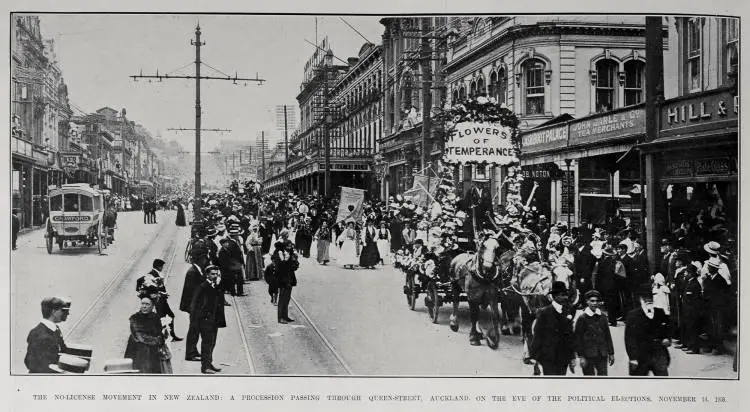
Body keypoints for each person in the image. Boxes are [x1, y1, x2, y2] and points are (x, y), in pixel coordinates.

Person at [528, 281, 576, 376]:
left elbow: (570, 336)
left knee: (561, 383)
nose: (566, 297)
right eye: (563, 295)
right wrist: (534, 356)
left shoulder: (567, 311)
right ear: (555, 296)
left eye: (566, 295)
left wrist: (572, 357)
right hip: (548, 356)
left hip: (563, 356)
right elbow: (538, 335)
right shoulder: (544, 313)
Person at [624, 291, 671, 376]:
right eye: (645, 298)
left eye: (650, 298)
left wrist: (667, 338)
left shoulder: (660, 312)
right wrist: (633, 358)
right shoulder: (633, 315)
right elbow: (629, 338)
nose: (648, 301)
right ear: (641, 299)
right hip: (640, 355)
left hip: (658, 354)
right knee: (638, 384)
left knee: (663, 382)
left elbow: (667, 329)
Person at [190, 265, 226, 374]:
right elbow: (195, 305)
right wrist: (198, 320)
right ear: (207, 275)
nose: (215, 276)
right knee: (206, 344)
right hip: (205, 321)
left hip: (214, 320)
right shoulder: (203, 287)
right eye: (212, 274)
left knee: (212, 343)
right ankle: (205, 367)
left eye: (216, 274)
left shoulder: (215, 285)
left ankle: (209, 363)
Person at [136, 259, 182, 342]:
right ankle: (165, 336)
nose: (163, 268)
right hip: (159, 301)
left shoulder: (156, 273)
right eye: (162, 266)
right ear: (158, 266)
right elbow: (141, 282)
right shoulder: (152, 274)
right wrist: (155, 293)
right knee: (163, 317)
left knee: (169, 316)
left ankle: (170, 335)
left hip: (162, 300)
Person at [124, 296, 170, 374]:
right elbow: (139, 336)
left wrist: (163, 335)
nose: (144, 306)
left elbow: (159, 333)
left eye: (147, 304)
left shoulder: (155, 317)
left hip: (153, 352)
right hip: (138, 351)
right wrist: (157, 340)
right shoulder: (135, 318)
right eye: (142, 304)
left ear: (152, 306)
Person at [25, 297, 70, 373]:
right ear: (54, 311)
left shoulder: (55, 329)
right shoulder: (39, 333)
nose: (67, 313)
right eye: (63, 310)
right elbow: (31, 363)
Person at [574, 290, 614, 376]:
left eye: (596, 301)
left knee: (603, 377)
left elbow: (607, 335)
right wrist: (581, 356)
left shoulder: (603, 317)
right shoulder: (582, 318)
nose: (594, 303)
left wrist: (611, 353)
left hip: (602, 354)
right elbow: (578, 338)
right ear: (587, 301)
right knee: (589, 379)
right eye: (592, 301)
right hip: (588, 355)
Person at [180, 251, 207, 362]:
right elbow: (192, 292)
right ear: (199, 260)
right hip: (194, 307)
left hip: (195, 306)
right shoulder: (193, 272)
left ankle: (193, 350)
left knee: (195, 329)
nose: (206, 261)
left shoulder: (197, 270)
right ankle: (190, 353)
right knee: (194, 330)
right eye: (204, 259)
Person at [679, 262, 703, 354]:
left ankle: (694, 348)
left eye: (687, 272)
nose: (685, 274)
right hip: (687, 310)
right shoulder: (689, 282)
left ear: (691, 273)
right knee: (689, 328)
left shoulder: (695, 284)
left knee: (693, 329)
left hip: (692, 311)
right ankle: (689, 345)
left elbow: (695, 301)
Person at [271, 241, 298, 323]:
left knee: (287, 298)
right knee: (282, 299)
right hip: (283, 279)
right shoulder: (280, 255)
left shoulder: (287, 254)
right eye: (288, 246)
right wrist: (288, 259)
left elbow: (293, 266)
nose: (290, 248)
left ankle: (285, 316)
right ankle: (280, 318)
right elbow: (281, 267)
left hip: (288, 278)